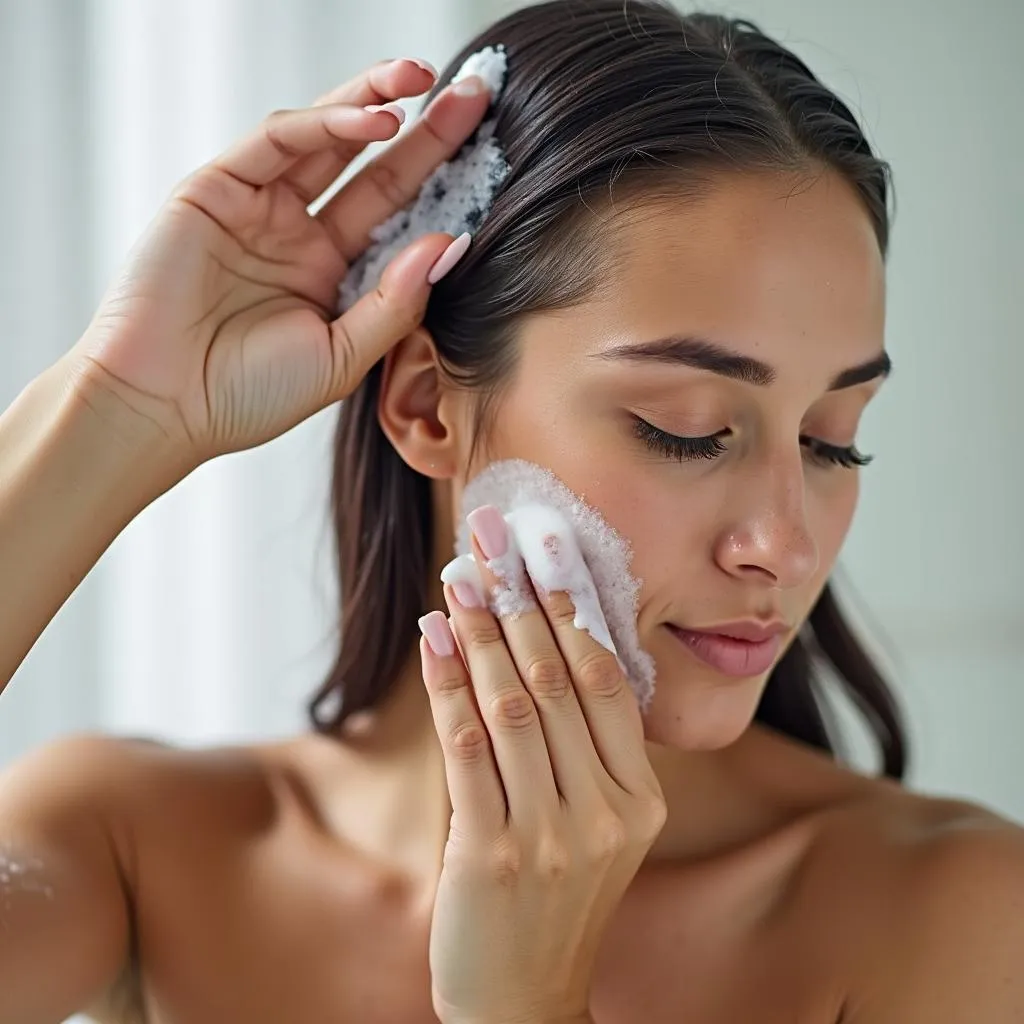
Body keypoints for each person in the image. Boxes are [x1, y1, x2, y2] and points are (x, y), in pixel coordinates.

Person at [0, 0, 1021, 1021]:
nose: (785, 546)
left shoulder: (953, 912)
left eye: (831, 437)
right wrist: (117, 410)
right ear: (422, 406)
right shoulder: (134, 849)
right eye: (689, 427)